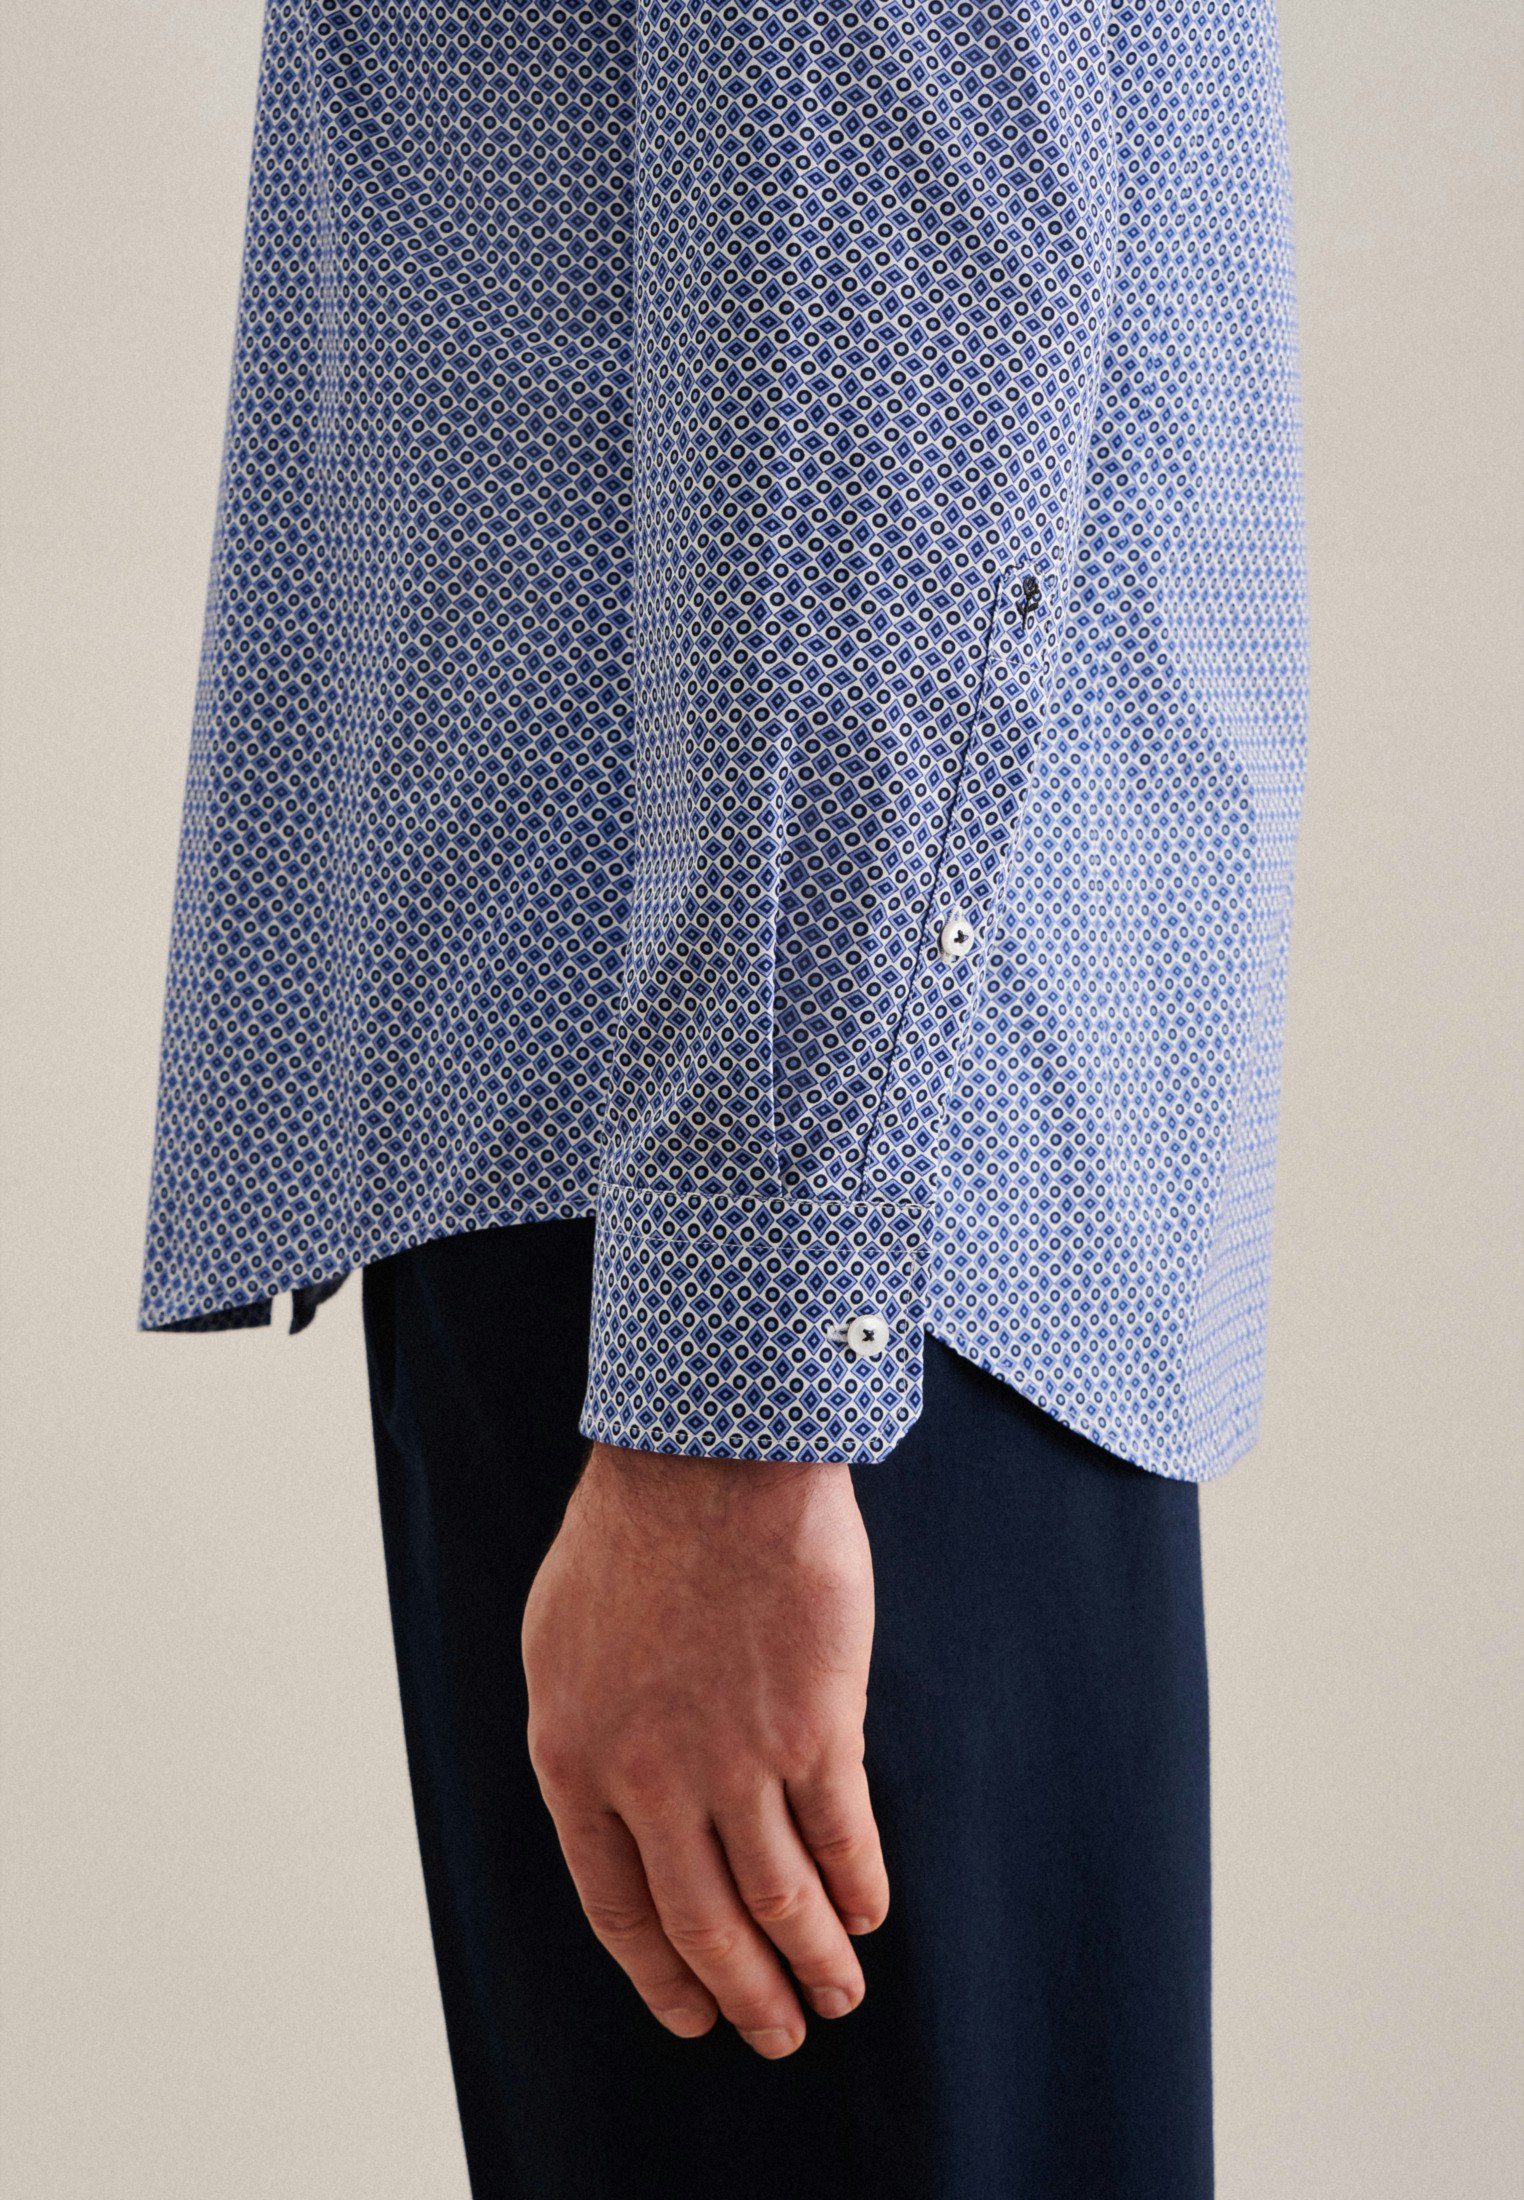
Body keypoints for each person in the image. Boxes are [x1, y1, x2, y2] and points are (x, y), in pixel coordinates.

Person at [139, 2, 1308, 2193]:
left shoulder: (745, 1307)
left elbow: (883, 272)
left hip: (747, 1191)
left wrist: (741, 1387)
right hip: (778, 1162)